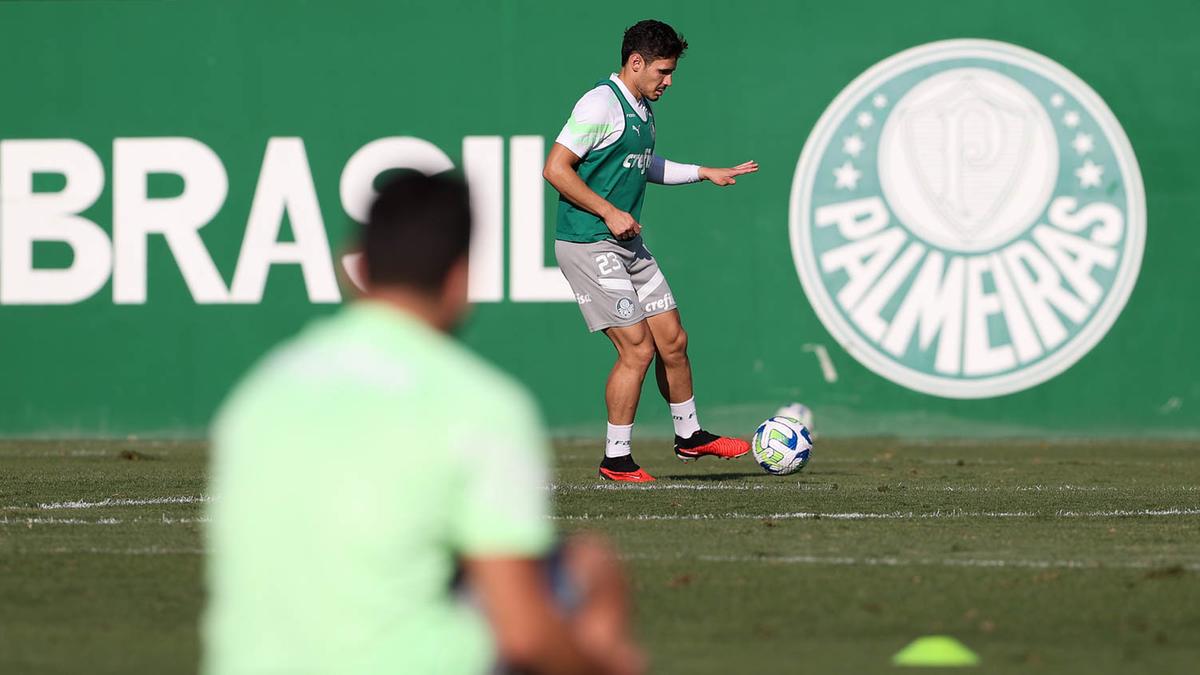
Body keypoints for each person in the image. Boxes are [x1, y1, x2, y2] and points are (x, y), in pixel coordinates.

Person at [203, 172, 642, 675]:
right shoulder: (480, 407)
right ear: (460, 279)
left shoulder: (261, 393)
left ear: (357, 268)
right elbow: (525, 636)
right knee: (590, 569)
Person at [543, 19, 760, 482]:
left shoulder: (642, 107)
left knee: (673, 339)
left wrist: (704, 171)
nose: (669, 80)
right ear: (635, 63)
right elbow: (556, 168)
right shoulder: (601, 102)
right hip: (588, 241)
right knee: (637, 349)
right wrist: (609, 212)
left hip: (626, 243)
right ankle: (615, 459)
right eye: (662, 71)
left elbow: (643, 165)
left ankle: (689, 436)